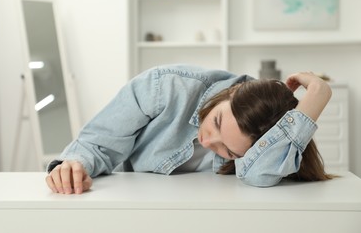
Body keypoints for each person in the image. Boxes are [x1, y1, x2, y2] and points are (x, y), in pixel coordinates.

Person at [45, 65, 333, 194]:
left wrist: (316, 98)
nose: (208, 142)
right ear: (232, 91)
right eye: (217, 121)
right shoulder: (163, 87)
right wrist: (74, 165)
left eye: (229, 151)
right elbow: (97, 145)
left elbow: (259, 175)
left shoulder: (262, 133)